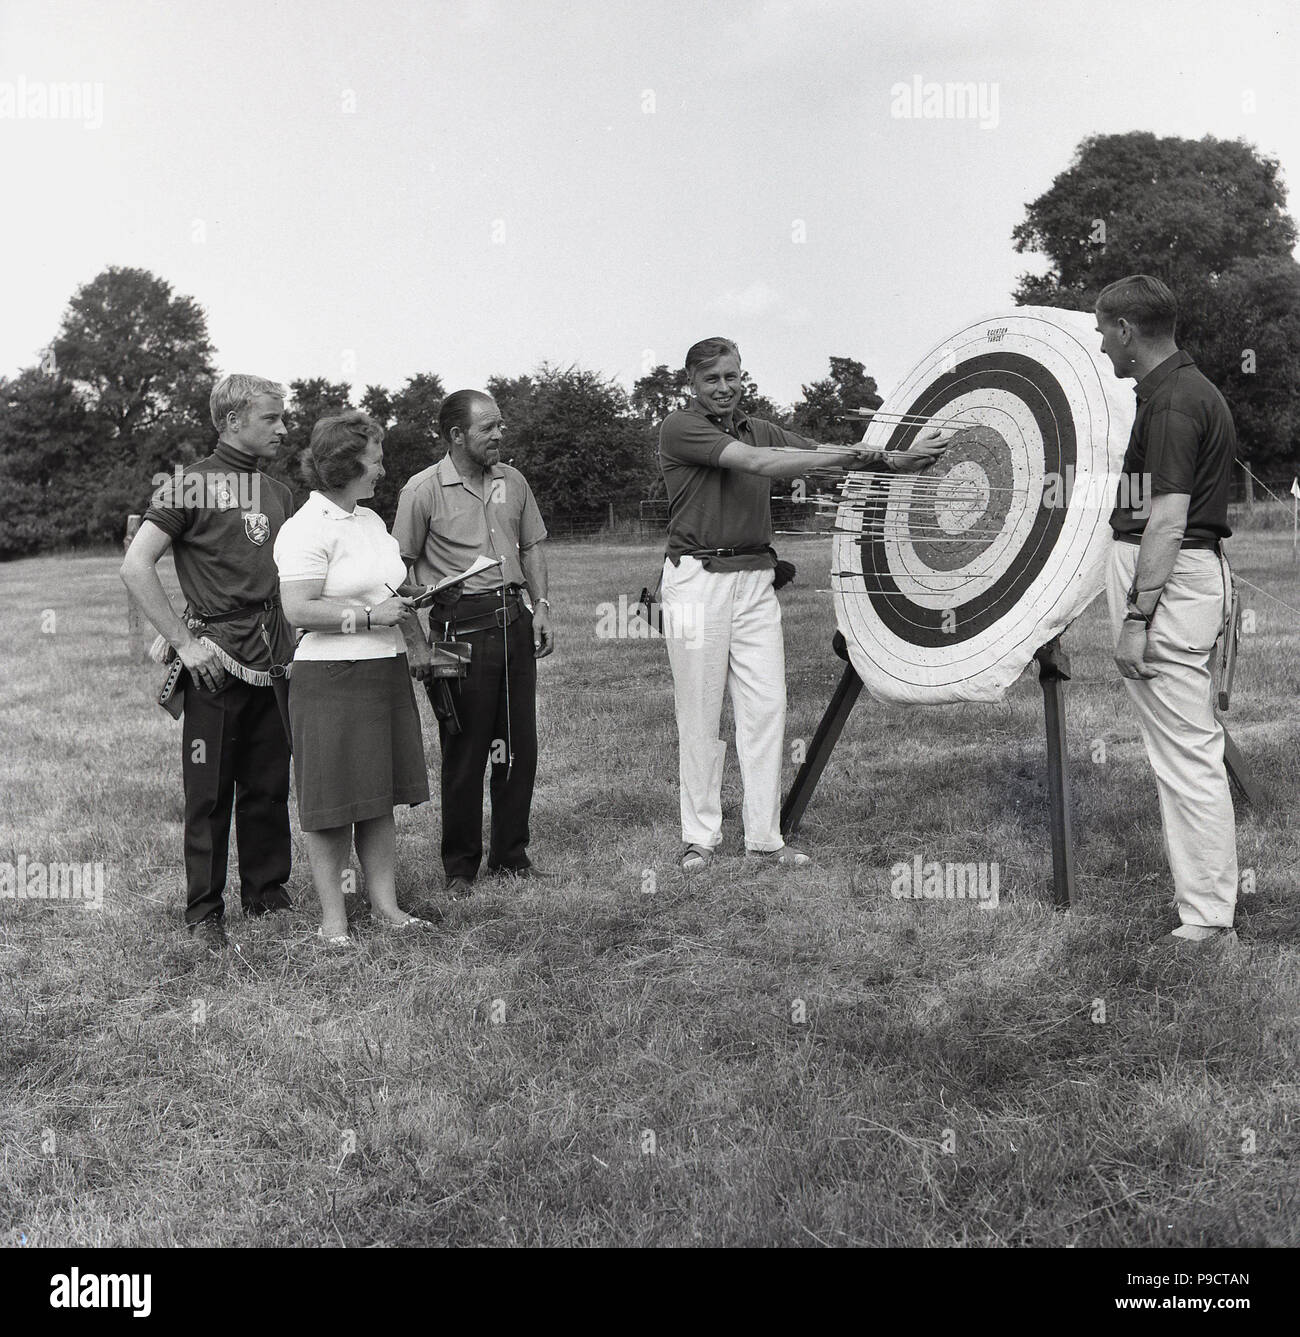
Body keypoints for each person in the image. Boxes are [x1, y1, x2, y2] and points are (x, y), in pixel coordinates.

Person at [658, 337, 949, 872]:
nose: (724, 388)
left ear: (742, 376)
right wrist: (859, 453)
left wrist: (897, 459)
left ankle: (764, 838)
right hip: (697, 582)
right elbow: (760, 463)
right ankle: (699, 837)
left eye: (731, 376)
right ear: (692, 384)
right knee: (700, 713)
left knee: (766, 707)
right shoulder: (679, 427)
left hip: (753, 578)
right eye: (711, 379)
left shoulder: (759, 425)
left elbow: (813, 459)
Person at [122, 374, 296, 952]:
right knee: (210, 790)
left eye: (282, 417)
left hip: (274, 653)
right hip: (214, 661)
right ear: (231, 420)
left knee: (269, 784)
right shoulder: (186, 486)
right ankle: (204, 912)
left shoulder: (278, 492)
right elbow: (136, 566)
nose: (282, 427)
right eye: (270, 418)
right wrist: (183, 642)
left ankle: (268, 896)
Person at [1097, 275, 1239, 948]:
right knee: (1182, 749)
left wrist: (1136, 618)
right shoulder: (1176, 391)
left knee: (1186, 754)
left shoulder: (1175, 402)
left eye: (1104, 331)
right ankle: (1206, 906)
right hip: (1179, 575)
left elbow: (1169, 519)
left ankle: (1209, 918)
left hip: (1170, 578)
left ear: (1126, 329)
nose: (1101, 346)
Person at [274, 411, 432, 944]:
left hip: (384, 670)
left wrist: (417, 597)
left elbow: (391, 588)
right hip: (331, 678)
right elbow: (298, 609)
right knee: (333, 800)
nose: (383, 469)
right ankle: (333, 921)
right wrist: (368, 618)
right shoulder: (305, 529)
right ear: (344, 465)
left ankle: (386, 906)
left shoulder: (371, 521)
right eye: (375, 459)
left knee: (378, 793)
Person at [392, 389, 554, 899]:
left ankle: (511, 856)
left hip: (514, 622)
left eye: (500, 426)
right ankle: (460, 867)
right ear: (456, 435)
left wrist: (541, 607)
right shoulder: (422, 490)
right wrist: (422, 624)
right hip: (459, 631)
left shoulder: (514, 480)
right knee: (466, 753)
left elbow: (531, 546)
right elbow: (397, 571)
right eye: (488, 428)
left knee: (518, 748)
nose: (499, 435)